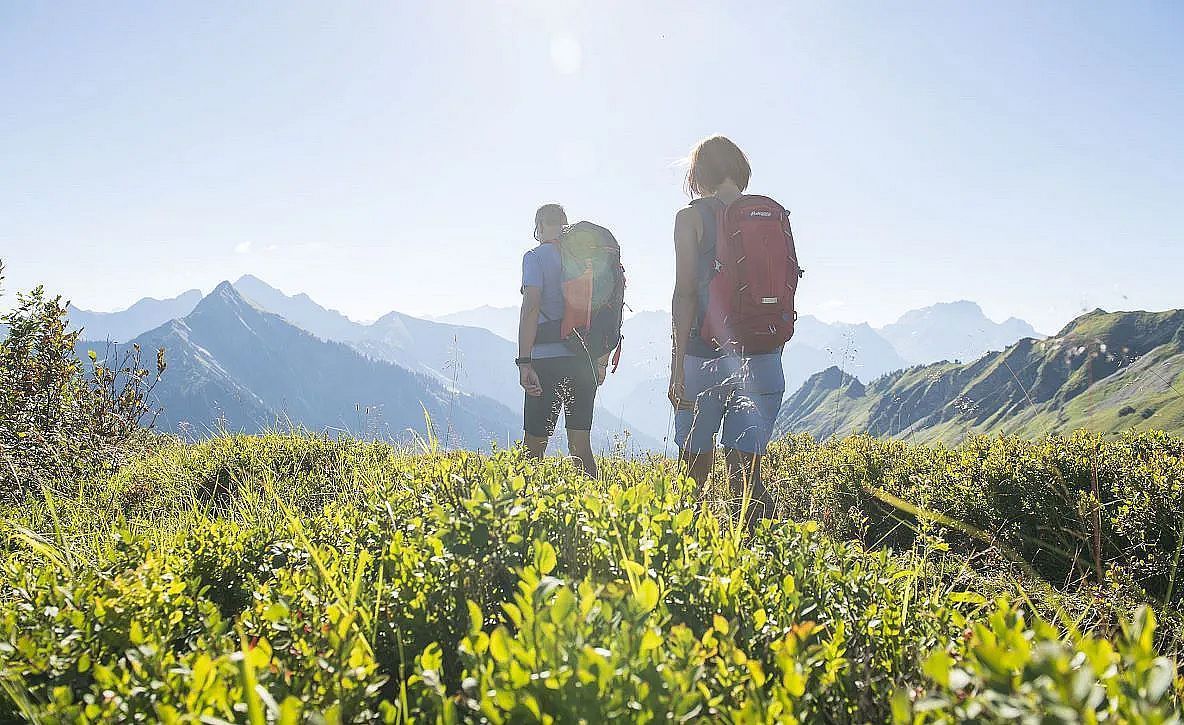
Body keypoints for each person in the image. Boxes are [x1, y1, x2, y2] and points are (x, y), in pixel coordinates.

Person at [669, 136, 788, 531]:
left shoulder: (690, 218)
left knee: (693, 482)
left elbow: (685, 292)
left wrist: (677, 366)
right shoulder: (769, 215)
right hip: (765, 355)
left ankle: (692, 564)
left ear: (698, 174)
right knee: (747, 483)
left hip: (705, 357)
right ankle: (766, 566)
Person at [517, 203, 610, 476]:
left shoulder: (535, 257)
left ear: (539, 226)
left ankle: (520, 512)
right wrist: (601, 361)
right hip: (584, 362)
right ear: (565, 224)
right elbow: (606, 308)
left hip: (547, 361)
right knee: (581, 447)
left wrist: (524, 362)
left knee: (533, 447)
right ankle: (598, 512)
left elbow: (531, 307)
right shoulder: (586, 258)